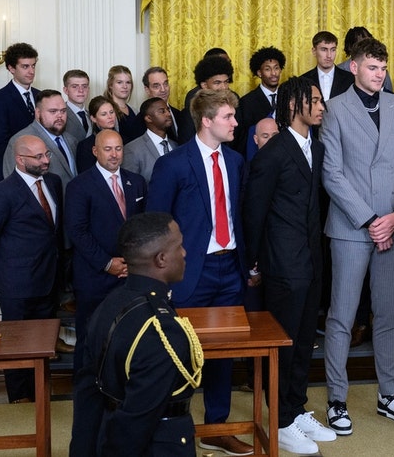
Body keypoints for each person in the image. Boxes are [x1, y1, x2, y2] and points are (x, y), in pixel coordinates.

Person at [320, 37, 394, 436]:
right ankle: (336, 400)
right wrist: (369, 220)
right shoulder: (335, 109)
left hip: (393, 231)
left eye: (383, 68)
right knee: (342, 318)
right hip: (350, 229)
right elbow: (332, 173)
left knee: (387, 316)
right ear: (353, 67)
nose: (379, 74)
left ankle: (388, 395)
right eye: (372, 67)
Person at [147, 89, 253, 456]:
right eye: (228, 117)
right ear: (207, 121)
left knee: (223, 353)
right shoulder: (173, 164)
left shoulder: (237, 161)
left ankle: (217, 427)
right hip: (190, 272)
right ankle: (171, 430)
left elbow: (240, 215)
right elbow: (156, 224)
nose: (236, 123)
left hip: (230, 267)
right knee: (179, 353)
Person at [244, 76, 336, 454]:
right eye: (314, 100)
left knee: (302, 343)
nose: (320, 107)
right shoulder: (274, 151)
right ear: (294, 104)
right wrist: (254, 263)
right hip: (282, 264)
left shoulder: (314, 146)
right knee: (282, 345)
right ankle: (279, 420)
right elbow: (254, 212)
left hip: (311, 261)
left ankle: (295, 410)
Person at [69, 212, 203, 456]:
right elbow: (136, 423)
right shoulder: (161, 330)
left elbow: (87, 395)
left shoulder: (109, 304)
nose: (184, 253)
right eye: (179, 246)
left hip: (103, 433)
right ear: (161, 259)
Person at [0, 135, 62, 403]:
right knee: (16, 345)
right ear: (20, 159)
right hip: (16, 285)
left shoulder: (54, 183)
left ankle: (39, 395)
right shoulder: (3, 192)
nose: (45, 160)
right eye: (38, 157)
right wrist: (7, 267)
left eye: (46, 154)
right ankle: (18, 400)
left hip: (49, 279)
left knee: (43, 343)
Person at [65, 129, 147, 372]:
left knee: (129, 338)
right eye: (108, 149)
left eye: (118, 148)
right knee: (91, 340)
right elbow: (78, 232)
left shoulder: (137, 182)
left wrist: (132, 263)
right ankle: (86, 394)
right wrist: (107, 263)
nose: (114, 155)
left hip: (130, 277)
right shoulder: (79, 185)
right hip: (94, 278)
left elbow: (142, 227)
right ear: (95, 151)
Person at [3, 89, 78, 189]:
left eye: (63, 111)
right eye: (53, 111)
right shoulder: (19, 141)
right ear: (38, 113)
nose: (60, 116)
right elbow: (14, 186)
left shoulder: (72, 140)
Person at [0, 42, 40, 185]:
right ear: (11, 68)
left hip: (39, 171)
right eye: (25, 66)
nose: (31, 71)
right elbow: (1, 141)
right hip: (11, 171)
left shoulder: (40, 96)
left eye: (33, 65)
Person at [233, 46, 285, 158]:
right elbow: (241, 139)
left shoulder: (288, 98)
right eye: (267, 69)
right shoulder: (246, 102)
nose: (273, 73)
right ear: (259, 73)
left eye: (276, 68)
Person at [122, 97, 178, 183]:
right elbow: (130, 187)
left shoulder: (176, 146)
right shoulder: (132, 149)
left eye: (168, 110)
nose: (168, 114)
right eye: (162, 111)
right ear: (148, 118)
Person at [301, 31, 355, 103]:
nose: (329, 55)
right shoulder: (303, 81)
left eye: (333, 50)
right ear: (314, 51)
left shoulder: (350, 79)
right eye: (324, 49)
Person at [141, 66, 190, 144]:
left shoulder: (179, 114)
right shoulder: (141, 119)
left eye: (165, 84)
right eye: (156, 86)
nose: (163, 89)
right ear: (147, 90)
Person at [337, 26, 394, 92]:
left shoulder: (381, 70)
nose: (365, 47)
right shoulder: (338, 70)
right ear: (350, 46)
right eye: (360, 44)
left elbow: (389, 96)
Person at [75, 96, 119, 174]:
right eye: (104, 114)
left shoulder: (124, 140)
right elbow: (85, 176)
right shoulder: (85, 146)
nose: (110, 117)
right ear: (93, 118)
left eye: (111, 112)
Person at [184, 47, 234, 112]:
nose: (224, 87)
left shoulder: (233, 97)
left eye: (226, 82)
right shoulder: (194, 98)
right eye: (217, 82)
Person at [104, 65, 141, 143]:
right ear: (110, 85)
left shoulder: (135, 111)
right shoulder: (105, 110)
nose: (125, 86)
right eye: (119, 82)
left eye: (128, 82)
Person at [62, 69, 93, 144]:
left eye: (84, 86)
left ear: (88, 89)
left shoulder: (92, 115)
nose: (81, 90)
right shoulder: (61, 114)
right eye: (75, 86)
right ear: (66, 90)